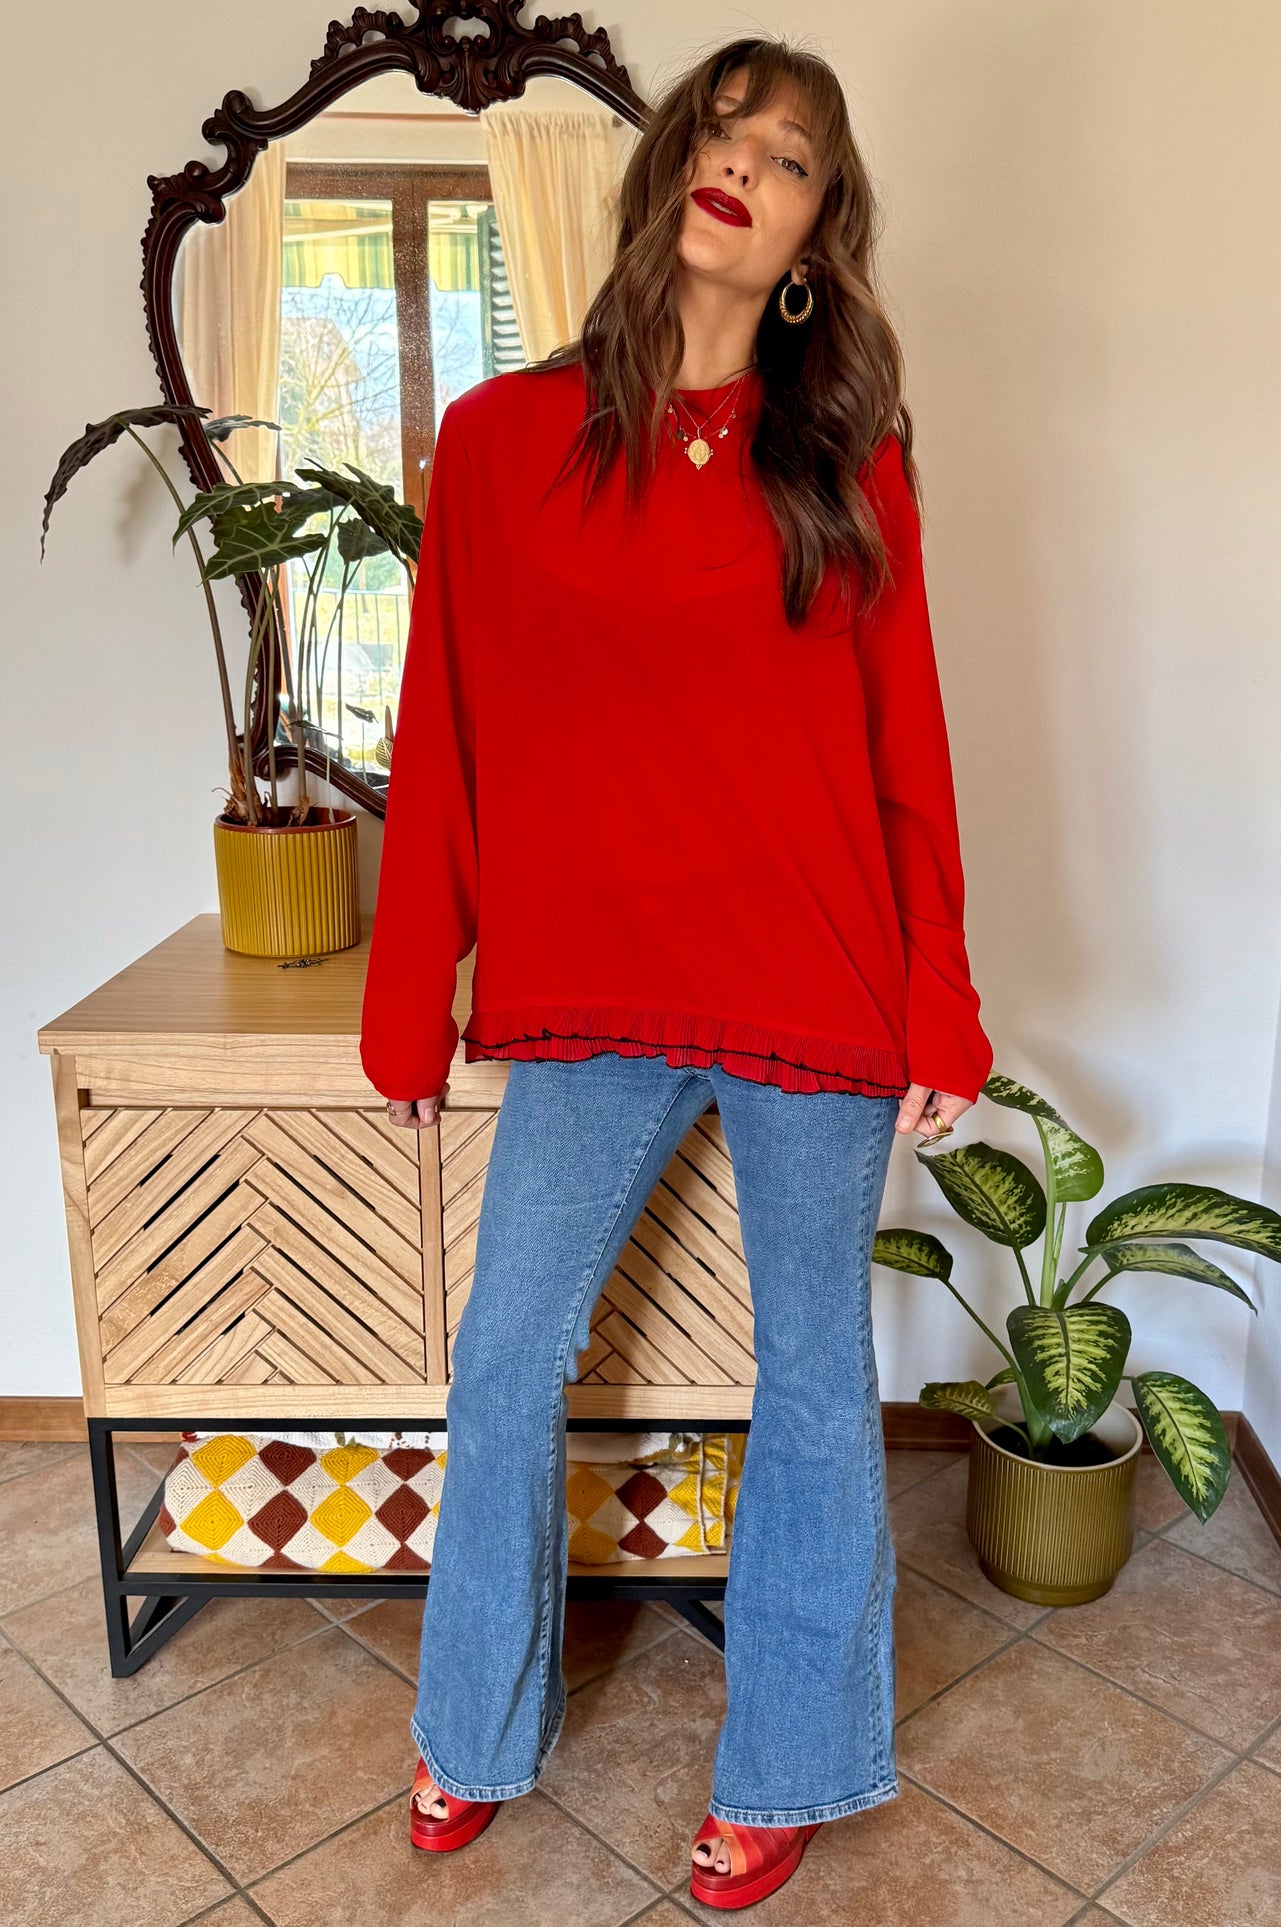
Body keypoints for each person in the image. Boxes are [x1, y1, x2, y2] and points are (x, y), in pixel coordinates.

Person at [360, 32, 993, 1910]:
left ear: (810, 239)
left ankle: (788, 1756)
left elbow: (907, 750)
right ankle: (469, 1724)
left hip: (817, 984)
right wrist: (415, 987)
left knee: (812, 1379)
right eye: (724, 133)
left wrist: (938, 998)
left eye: (790, 158)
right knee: (504, 1355)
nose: (746, 164)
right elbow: (445, 731)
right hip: (587, 990)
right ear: (665, 178)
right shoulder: (495, 444)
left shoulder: (845, 456)